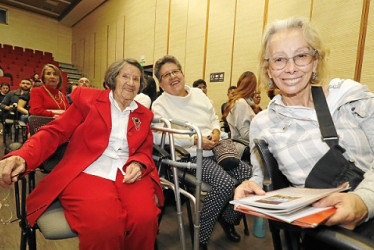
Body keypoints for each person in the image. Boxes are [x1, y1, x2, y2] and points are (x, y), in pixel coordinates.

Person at [234, 17, 374, 242]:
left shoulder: (350, 98)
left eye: (301, 56)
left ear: (315, 61)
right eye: (279, 59)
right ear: (269, 69)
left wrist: (364, 201)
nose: (290, 69)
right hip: (328, 230)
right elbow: (260, 177)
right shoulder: (262, 123)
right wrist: (252, 186)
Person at [0, 58, 163, 249]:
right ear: (113, 78)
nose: (131, 82)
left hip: (127, 173)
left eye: (136, 79)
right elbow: (55, 132)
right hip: (86, 171)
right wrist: (23, 156)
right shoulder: (88, 99)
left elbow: (144, 149)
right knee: (106, 227)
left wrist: (138, 163)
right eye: (125, 76)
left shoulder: (144, 114)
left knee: (145, 220)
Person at [152, 55, 252, 249]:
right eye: (166, 75)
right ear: (160, 83)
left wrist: (215, 131)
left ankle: (228, 218)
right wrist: (195, 140)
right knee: (224, 184)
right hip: (191, 155)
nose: (172, 76)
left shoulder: (198, 94)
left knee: (249, 176)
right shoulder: (160, 105)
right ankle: (202, 237)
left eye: (175, 71)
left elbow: (214, 118)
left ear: (182, 73)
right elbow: (158, 137)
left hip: (216, 148)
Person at [222, 71, 257, 157]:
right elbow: (245, 134)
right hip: (243, 147)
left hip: (244, 144)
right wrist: (264, 134)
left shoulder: (243, 102)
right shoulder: (241, 103)